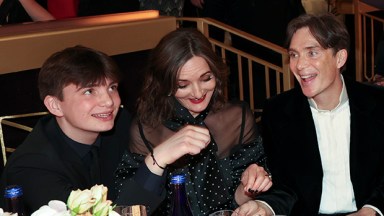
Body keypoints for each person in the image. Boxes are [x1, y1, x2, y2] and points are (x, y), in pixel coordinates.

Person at [114, 28, 295, 215]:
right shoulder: (147, 128)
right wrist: (160, 156)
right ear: (165, 84)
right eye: (183, 85)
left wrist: (250, 187)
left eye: (206, 79)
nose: (198, 93)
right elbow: (128, 208)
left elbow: (240, 200)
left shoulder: (236, 117)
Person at [262, 13, 384, 215]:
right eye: (293, 55)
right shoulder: (277, 112)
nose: (299, 65)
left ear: (340, 58)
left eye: (312, 53)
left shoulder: (378, 104)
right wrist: (263, 206)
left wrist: (372, 210)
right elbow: (283, 186)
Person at [0, 45, 131, 214]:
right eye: (89, 91)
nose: (108, 101)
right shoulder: (32, 166)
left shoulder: (121, 123)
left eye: (112, 87)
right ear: (55, 106)